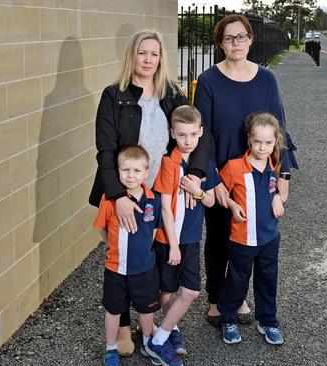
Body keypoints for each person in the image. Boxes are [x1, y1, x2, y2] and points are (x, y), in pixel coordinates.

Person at [89, 29, 211, 355]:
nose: (148, 59)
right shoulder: (114, 95)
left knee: (151, 264)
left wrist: (196, 176)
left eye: (154, 54)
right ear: (133, 55)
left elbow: (199, 133)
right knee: (123, 259)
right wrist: (119, 199)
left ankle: (160, 326)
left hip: (160, 195)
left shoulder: (171, 93)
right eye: (143, 53)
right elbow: (105, 151)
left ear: (161, 58)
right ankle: (126, 328)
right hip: (127, 190)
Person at [193, 14, 298, 326]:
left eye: (241, 37)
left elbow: (279, 129)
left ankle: (238, 297)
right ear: (220, 44)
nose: (236, 43)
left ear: (251, 39)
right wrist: (212, 180)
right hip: (223, 176)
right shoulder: (209, 80)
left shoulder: (266, 79)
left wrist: (283, 176)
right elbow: (203, 135)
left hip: (258, 178)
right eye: (229, 38)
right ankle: (215, 299)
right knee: (219, 239)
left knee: (250, 242)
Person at [147, 105, 220, 364]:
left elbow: (210, 201)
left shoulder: (203, 165)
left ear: (200, 133)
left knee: (190, 292)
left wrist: (196, 190)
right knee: (165, 291)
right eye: (181, 135)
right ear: (173, 134)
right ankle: (172, 330)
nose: (187, 141)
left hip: (190, 239)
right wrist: (174, 245)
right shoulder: (169, 163)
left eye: (192, 134)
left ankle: (158, 339)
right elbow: (165, 208)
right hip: (170, 240)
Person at [218, 113, 288, 345]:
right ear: (249, 139)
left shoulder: (275, 165)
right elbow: (218, 191)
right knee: (237, 279)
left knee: (268, 279)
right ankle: (228, 319)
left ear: (275, 141)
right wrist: (232, 204)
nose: (262, 147)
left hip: (269, 237)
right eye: (257, 141)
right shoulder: (234, 166)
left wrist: (278, 196)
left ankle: (267, 321)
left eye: (268, 143)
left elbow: (281, 191)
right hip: (242, 238)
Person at [93, 146, 163, 366]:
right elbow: (102, 228)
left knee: (146, 308)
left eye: (136, 170)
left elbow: (153, 230)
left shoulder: (153, 199)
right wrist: (114, 246)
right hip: (116, 268)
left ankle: (147, 341)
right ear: (118, 171)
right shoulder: (110, 199)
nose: (130, 175)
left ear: (146, 173)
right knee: (113, 310)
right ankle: (111, 348)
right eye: (125, 170)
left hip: (144, 268)